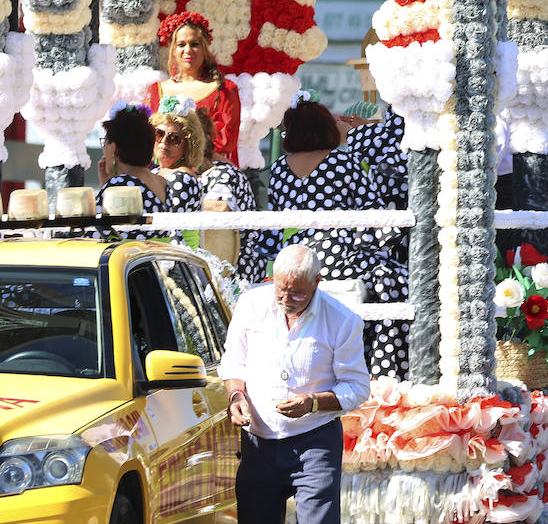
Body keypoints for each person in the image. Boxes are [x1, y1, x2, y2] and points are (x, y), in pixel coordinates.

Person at [219, 244, 370, 524]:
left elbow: (357, 388)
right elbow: (233, 361)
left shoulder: (343, 321)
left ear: (318, 282)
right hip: (258, 442)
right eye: (281, 289)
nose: (286, 298)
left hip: (314, 444)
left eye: (297, 293)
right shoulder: (251, 304)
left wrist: (313, 403)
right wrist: (236, 395)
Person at [263, 96, 409, 378]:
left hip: (296, 256)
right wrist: (382, 243)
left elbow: (272, 227)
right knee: (397, 281)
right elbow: (374, 213)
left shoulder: (279, 167)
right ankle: (384, 371)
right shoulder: (343, 161)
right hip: (338, 256)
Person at [150, 11, 242, 165]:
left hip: (208, 172)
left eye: (194, 44)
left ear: (204, 48)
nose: (187, 50)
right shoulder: (156, 90)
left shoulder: (224, 90)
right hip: (162, 175)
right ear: (173, 49)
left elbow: (226, 143)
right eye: (181, 44)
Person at [195, 109, 266, 288]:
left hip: (235, 275)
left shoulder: (223, 173)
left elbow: (220, 207)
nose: (164, 143)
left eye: (174, 138)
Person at [149, 96, 204, 212]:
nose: (163, 141)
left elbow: (171, 226)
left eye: (174, 138)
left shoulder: (182, 178)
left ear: (188, 145)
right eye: (159, 134)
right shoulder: (156, 172)